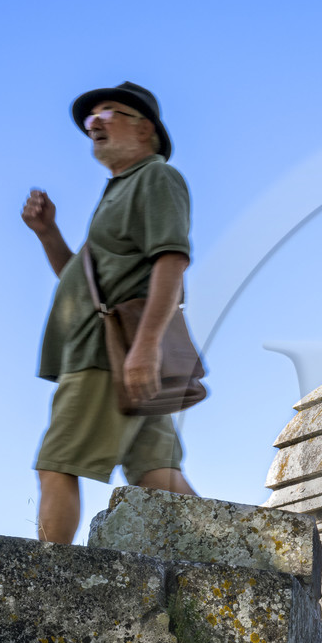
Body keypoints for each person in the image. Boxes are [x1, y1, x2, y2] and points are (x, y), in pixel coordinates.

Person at [21, 81, 198, 544]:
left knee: (56, 465)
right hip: (124, 354)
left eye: (107, 113)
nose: (93, 123)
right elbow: (79, 280)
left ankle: (48, 577)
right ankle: (235, 562)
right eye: (89, 118)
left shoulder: (155, 178)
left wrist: (145, 347)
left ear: (145, 130)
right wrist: (47, 232)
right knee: (158, 478)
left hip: (107, 355)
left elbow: (171, 261)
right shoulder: (119, 192)